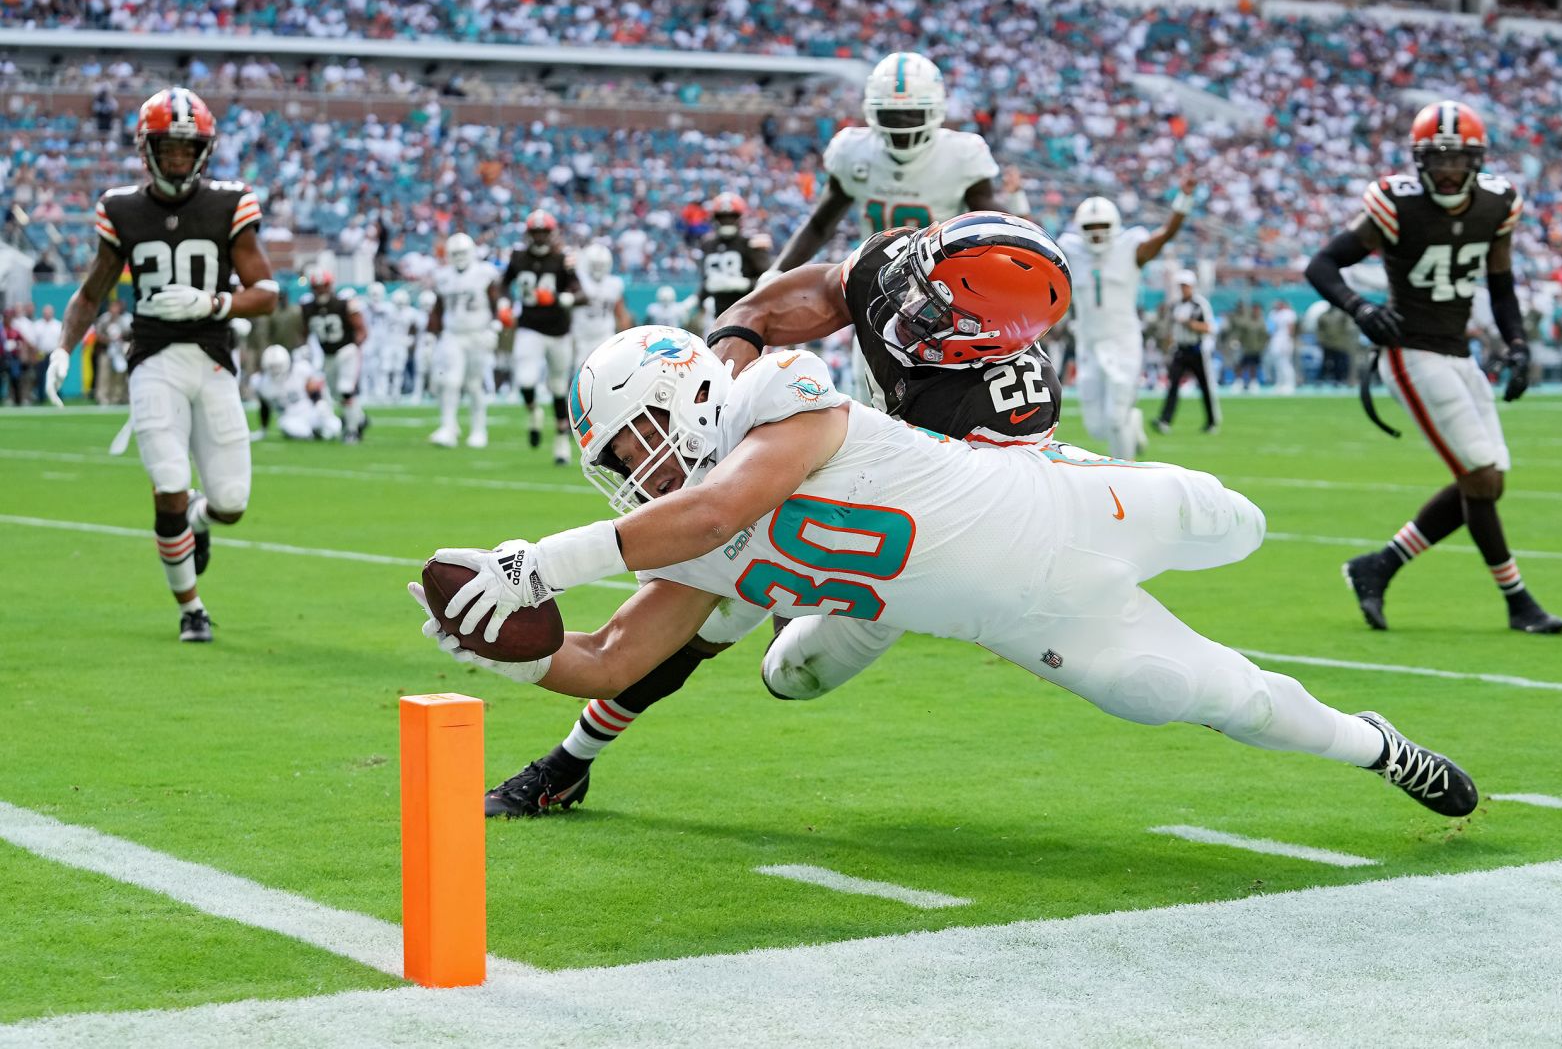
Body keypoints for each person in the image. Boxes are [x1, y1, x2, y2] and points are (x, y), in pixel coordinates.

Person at [411, 326, 1480, 824]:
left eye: (640, 432)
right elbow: (611, 656)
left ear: (689, 390)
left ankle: (1064, 452)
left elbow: (733, 500)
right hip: (1019, 611)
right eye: (614, 456)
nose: (631, 467)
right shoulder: (675, 530)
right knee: (1200, 697)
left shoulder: (777, 391)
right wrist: (512, 653)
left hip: (1063, 505)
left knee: (1236, 521)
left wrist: (543, 559)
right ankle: (1380, 745)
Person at [452, 214, 1094, 819]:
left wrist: (541, 567)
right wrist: (712, 385)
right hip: (806, 483)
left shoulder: (1001, 406)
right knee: (715, 636)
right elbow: (758, 310)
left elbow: (995, 519)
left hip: (908, 549)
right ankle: (570, 760)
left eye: (929, 309)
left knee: (799, 664)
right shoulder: (881, 283)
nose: (903, 313)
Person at [1306, 100, 1562, 634]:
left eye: (1458, 158)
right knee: (1481, 476)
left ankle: (1378, 566)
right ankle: (1518, 602)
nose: (1448, 169)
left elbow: (1500, 282)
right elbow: (1322, 264)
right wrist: (1361, 309)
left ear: (1477, 160)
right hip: (1411, 353)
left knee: (1486, 483)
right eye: (1437, 158)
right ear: (1418, 162)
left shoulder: (1497, 204)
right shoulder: (1396, 206)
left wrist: (1517, 344)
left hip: (1458, 352)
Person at [47, 87, 279, 642]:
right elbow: (90, 293)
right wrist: (63, 347)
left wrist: (213, 302)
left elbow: (266, 291)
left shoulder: (229, 203)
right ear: (146, 150)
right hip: (152, 360)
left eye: (186, 148)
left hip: (213, 358)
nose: (177, 159)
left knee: (230, 503)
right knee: (169, 481)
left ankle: (197, 519)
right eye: (167, 148)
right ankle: (190, 608)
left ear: (203, 151)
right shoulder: (121, 208)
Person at [765, 52, 1012, 404]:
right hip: (876, 293)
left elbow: (991, 223)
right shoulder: (854, 151)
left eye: (912, 114)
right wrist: (777, 271)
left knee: (944, 407)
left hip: (945, 296)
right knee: (874, 407)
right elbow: (821, 223)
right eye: (892, 115)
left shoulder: (961, 155)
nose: (902, 125)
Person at [1060, 178, 1197, 459]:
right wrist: (1017, 198)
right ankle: (1132, 424)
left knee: (1114, 418)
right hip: (1088, 343)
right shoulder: (1070, 250)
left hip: (1123, 340)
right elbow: (1031, 240)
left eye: (1102, 227)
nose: (1097, 234)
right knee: (1097, 427)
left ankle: (1127, 474)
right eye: (1090, 227)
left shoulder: (1130, 247)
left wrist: (1183, 199)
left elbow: (1166, 234)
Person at [503, 209, 579, 460]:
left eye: (543, 232)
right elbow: (503, 284)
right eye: (535, 232)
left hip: (559, 330)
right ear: (528, 233)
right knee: (525, 380)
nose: (539, 236)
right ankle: (534, 411)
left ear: (550, 233)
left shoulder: (562, 260)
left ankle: (560, 443)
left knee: (558, 386)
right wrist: (503, 304)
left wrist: (560, 297)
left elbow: (580, 293)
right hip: (530, 326)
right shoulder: (518, 258)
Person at [428, 232, 502, 449]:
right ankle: (448, 427)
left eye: (463, 252)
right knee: (450, 381)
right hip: (453, 334)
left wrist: (495, 328)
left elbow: (496, 301)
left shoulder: (484, 273)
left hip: (478, 333)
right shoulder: (443, 276)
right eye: (455, 253)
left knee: (474, 384)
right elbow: (438, 309)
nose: (459, 257)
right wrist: (432, 336)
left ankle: (479, 430)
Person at [300, 267, 368, 441]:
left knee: (345, 389)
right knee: (337, 395)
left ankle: (352, 432)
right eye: (317, 287)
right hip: (328, 354)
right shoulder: (308, 307)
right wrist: (304, 348)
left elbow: (361, 329)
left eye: (323, 286)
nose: (321, 290)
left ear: (330, 285)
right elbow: (304, 332)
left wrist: (355, 347)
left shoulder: (344, 303)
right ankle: (360, 419)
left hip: (346, 350)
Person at [1152, 271, 1218, 434]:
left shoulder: (1200, 305)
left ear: (1192, 286)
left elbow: (1209, 327)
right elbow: (1171, 329)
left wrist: (1189, 323)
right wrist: (1168, 346)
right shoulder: (1176, 305)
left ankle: (1212, 422)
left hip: (1196, 350)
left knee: (1205, 387)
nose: (1183, 289)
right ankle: (1164, 420)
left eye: (1185, 286)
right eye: (1181, 286)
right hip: (1180, 350)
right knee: (1173, 385)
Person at [696, 192, 772, 326]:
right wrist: (697, 301)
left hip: (748, 313)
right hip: (716, 314)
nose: (727, 220)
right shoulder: (708, 244)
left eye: (732, 216)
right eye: (722, 217)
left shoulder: (751, 243)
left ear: (739, 217)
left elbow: (769, 280)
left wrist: (745, 283)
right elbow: (706, 282)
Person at [250, 342, 340, 441]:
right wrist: (263, 430)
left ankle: (326, 430)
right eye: (272, 366)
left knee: (333, 425)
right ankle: (316, 434)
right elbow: (265, 407)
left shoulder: (300, 369)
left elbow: (314, 389)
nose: (276, 370)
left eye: (278, 366)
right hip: (291, 418)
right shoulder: (261, 383)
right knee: (286, 425)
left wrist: (320, 404)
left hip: (311, 411)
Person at [569, 242, 633, 371]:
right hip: (580, 336)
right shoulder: (578, 280)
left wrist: (628, 338)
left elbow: (620, 313)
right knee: (580, 373)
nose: (598, 268)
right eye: (595, 265)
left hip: (605, 335)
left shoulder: (614, 284)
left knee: (607, 371)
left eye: (601, 265)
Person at [94, 298, 132, 405]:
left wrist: (120, 338)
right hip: (106, 350)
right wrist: (108, 340)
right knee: (104, 375)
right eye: (113, 307)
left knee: (119, 375)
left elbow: (128, 334)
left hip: (119, 351)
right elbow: (97, 334)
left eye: (117, 307)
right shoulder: (104, 319)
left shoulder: (124, 320)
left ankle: (117, 397)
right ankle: (103, 398)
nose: (115, 309)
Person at [1314, 301, 1360, 385]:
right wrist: (1321, 340)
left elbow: (1348, 328)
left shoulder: (1342, 315)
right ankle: (1321, 379)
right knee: (1326, 362)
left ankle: (1339, 379)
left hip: (1340, 343)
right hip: (1327, 343)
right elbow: (1319, 330)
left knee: (1340, 362)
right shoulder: (1324, 315)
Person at [1264, 299, 1300, 395]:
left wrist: (1289, 340)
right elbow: (1270, 328)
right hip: (1275, 340)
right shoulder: (1273, 313)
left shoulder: (1289, 313)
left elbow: (1291, 328)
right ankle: (1279, 383)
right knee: (1277, 363)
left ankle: (1290, 383)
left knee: (1285, 363)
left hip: (1285, 339)